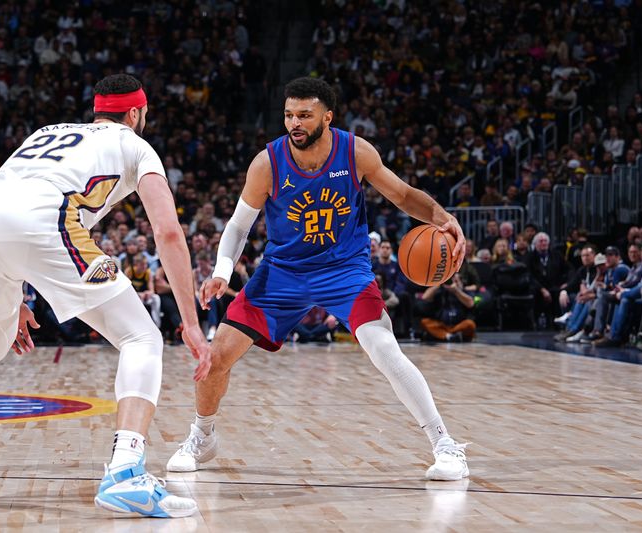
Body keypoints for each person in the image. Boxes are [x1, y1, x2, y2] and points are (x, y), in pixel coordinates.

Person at [0, 74, 211, 519]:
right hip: (39, 221)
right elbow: (166, 230)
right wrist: (190, 322)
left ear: (96, 111)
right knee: (141, 338)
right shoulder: (136, 145)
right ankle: (126, 472)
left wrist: (16, 284)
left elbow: (9, 201)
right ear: (136, 113)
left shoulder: (48, 132)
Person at [166, 77, 469, 481]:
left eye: (305, 115)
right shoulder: (267, 162)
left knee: (384, 349)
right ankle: (203, 436)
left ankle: (445, 445)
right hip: (282, 273)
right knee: (217, 356)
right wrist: (222, 273)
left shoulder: (355, 151)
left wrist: (443, 218)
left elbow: (403, 195)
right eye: (289, 114)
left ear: (327, 117)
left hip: (344, 270)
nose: (295, 122)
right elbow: (239, 227)